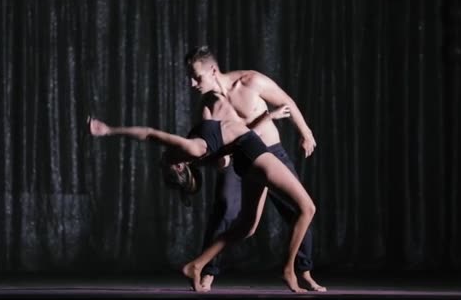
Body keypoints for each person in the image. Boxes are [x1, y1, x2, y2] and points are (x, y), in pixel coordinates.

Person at [88, 97, 316, 293]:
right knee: (307, 208)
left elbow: (226, 142)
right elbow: (149, 134)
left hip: (247, 155)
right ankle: (288, 270)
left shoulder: (198, 151)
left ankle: (196, 265)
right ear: (178, 166)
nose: (162, 159)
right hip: (252, 151)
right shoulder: (191, 149)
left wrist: (265, 118)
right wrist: (109, 130)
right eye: (163, 163)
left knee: (247, 226)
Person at [184, 46, 326, 291]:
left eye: (197, 77)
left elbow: (286, 101)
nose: (192, 83)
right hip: (243, 159)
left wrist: (306, 132)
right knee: (228, 209)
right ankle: (207, 271)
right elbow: (218, 147)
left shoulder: (251, 81)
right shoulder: (207, 107)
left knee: (271, 218)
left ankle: (303, 271)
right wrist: (220, 160)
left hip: (271, 154)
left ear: (213, 70)